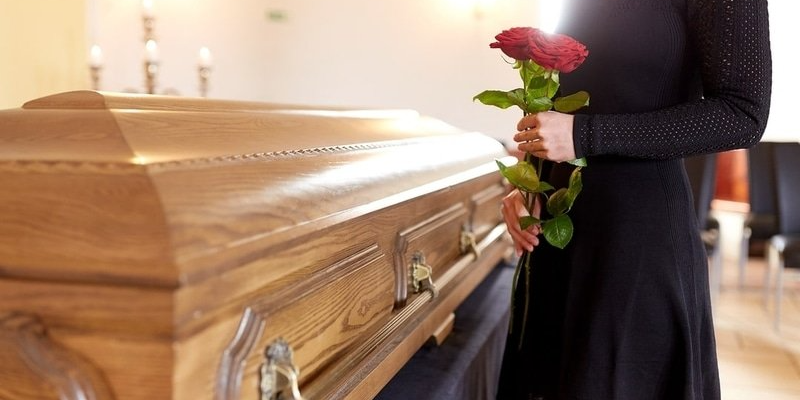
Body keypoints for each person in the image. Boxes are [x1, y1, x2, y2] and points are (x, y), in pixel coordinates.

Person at [495, 0, 772, 399]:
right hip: (558, 237)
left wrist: (588, 135)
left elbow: (743, 115)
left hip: (637, 243)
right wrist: (528, 187)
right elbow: (578, 98)